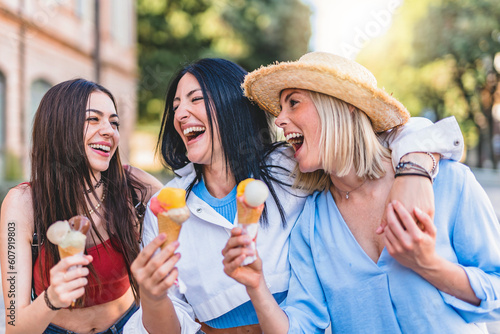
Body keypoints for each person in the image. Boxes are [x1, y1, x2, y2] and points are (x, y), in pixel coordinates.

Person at [124, 58, 463, 334]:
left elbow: (375, 137)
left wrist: (415, 168)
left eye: (196, 99)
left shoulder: (292, 165)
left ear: (231, 105)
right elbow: (167, 326)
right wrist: (153, 296)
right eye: (176, 105)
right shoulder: (168, 206)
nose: (180, 113)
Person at [222, 52, 500, 333]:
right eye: (280, 109)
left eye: (293, 103)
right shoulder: (311, 224)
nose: (280, 120)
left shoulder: (447, 181)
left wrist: (430, 266)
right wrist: (256, 286)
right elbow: (303, 326)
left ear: (344, 106)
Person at [0, 79, 163, 334]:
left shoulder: (135, 186)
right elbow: (14, 328)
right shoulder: (22, 204)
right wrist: (51, 299)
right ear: (58, 127)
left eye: (114, 122)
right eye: (93, 119)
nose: (110, 130)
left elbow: (192, 219)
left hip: (129, 326)